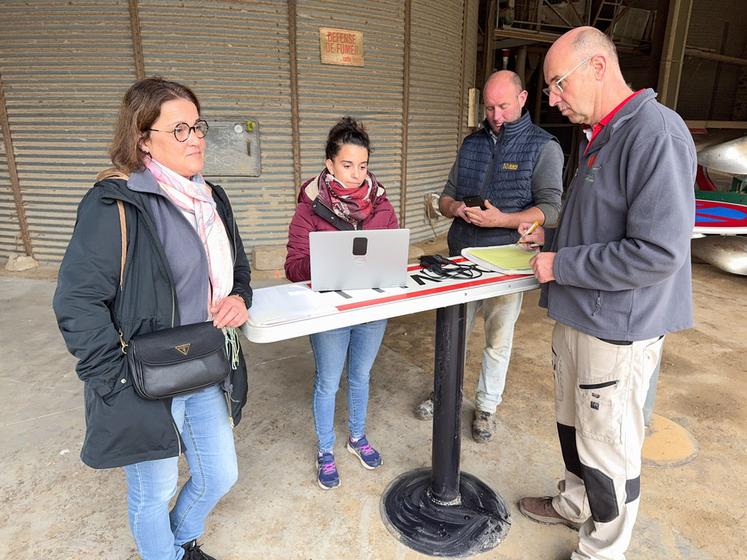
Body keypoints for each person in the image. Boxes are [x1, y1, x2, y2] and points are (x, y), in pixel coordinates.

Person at [53, 77, 252, 560]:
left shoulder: (212, 199)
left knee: (220, 474)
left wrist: (240, 298)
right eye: (179, 129)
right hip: (142, 376)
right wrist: (114, 380)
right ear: (143, 139)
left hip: (204, 361)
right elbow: (77, 302)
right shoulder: (114, 203)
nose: (196, 138)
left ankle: (180, 540)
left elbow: (240, 269)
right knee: (153, 489)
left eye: (198, 126)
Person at [517, 27, 696, 560]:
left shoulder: (655, 134)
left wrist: (560, 263)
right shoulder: (604, 132)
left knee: (609, 448)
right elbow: (602, 227)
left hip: (617, 327)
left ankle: (602, 550)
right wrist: (549, 238)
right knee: (574, 429)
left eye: (556, 84)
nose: (552, 99)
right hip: (580, 315)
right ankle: (576, 504)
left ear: (597, 67)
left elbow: (658, 252)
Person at [413, 70, 563, 443]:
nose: (496, 115)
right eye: (490, 107)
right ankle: (444, 392)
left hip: (506, 262)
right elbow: (446, 196)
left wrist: (504, 219)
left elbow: (552, 209)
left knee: (498, 339)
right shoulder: (472, 143)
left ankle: (486, 406)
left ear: (523, 99)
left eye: (504, 106)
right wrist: (457, 209)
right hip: (461, 257)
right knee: (452, 334)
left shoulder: (544, 147)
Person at [285, 117, 398, 490]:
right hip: (329, 311)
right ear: (330, 164)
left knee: (361, 376)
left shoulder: (381, 204)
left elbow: (392, 251)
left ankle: (356, 437)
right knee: (328, 381)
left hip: (371, 308)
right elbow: (293, 266)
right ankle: (325, 450)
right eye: (347, 165)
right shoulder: (309, 208)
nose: (355, 174)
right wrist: (327, 259)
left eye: (362, 166)